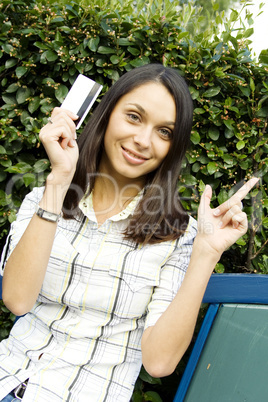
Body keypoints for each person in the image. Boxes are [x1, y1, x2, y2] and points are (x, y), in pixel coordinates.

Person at [0, 63, 258, 401]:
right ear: (108, 114)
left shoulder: (178, 235)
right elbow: (17, 300)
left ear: (173, 146)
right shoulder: (44, 198)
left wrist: (206, 254)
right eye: (134, 117)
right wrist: (59, 180)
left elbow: (160, 361)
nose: (143, 140)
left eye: (164, 132)